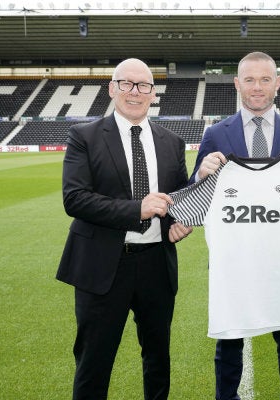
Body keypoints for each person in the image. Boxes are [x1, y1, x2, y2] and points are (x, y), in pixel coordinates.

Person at [56, 58, 192, 400]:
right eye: (127, 84)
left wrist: (180, 222)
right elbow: (75, 199)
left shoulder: (172, 142)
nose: (135, 92)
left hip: (156, 264)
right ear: (112, 88)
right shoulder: (83, 135)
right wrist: (137, 209)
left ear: (153, 92)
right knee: (94, 362)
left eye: (143, 85)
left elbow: (176, 198)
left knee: (158, 358)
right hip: (102, 267)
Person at [189, 51, 280, 400]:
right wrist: (201, 174)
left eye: (265, 79)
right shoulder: (216, 134)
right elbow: (194, 201)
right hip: (235, 258)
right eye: (249, 79)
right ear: (237, 84)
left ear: (277, 83)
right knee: (229, 339)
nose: (257, 87)